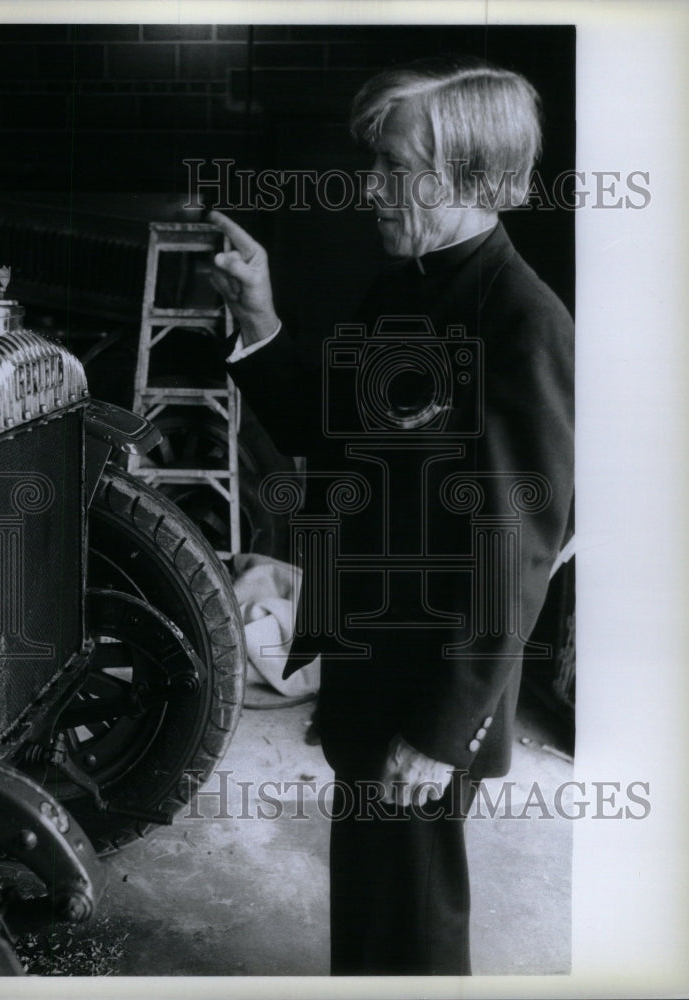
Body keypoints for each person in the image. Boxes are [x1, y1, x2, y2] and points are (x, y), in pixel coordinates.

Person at [208, 55, 574, 976]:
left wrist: (442, 734)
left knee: (412, 922)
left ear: (471, 180)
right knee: (372, 902)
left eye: (394, 169)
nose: (369, 187)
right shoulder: (408, 285)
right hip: (375, 660)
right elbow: (325, 436)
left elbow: (516, 551)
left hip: (429, 683)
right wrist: (259, 316)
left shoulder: (520, 323)